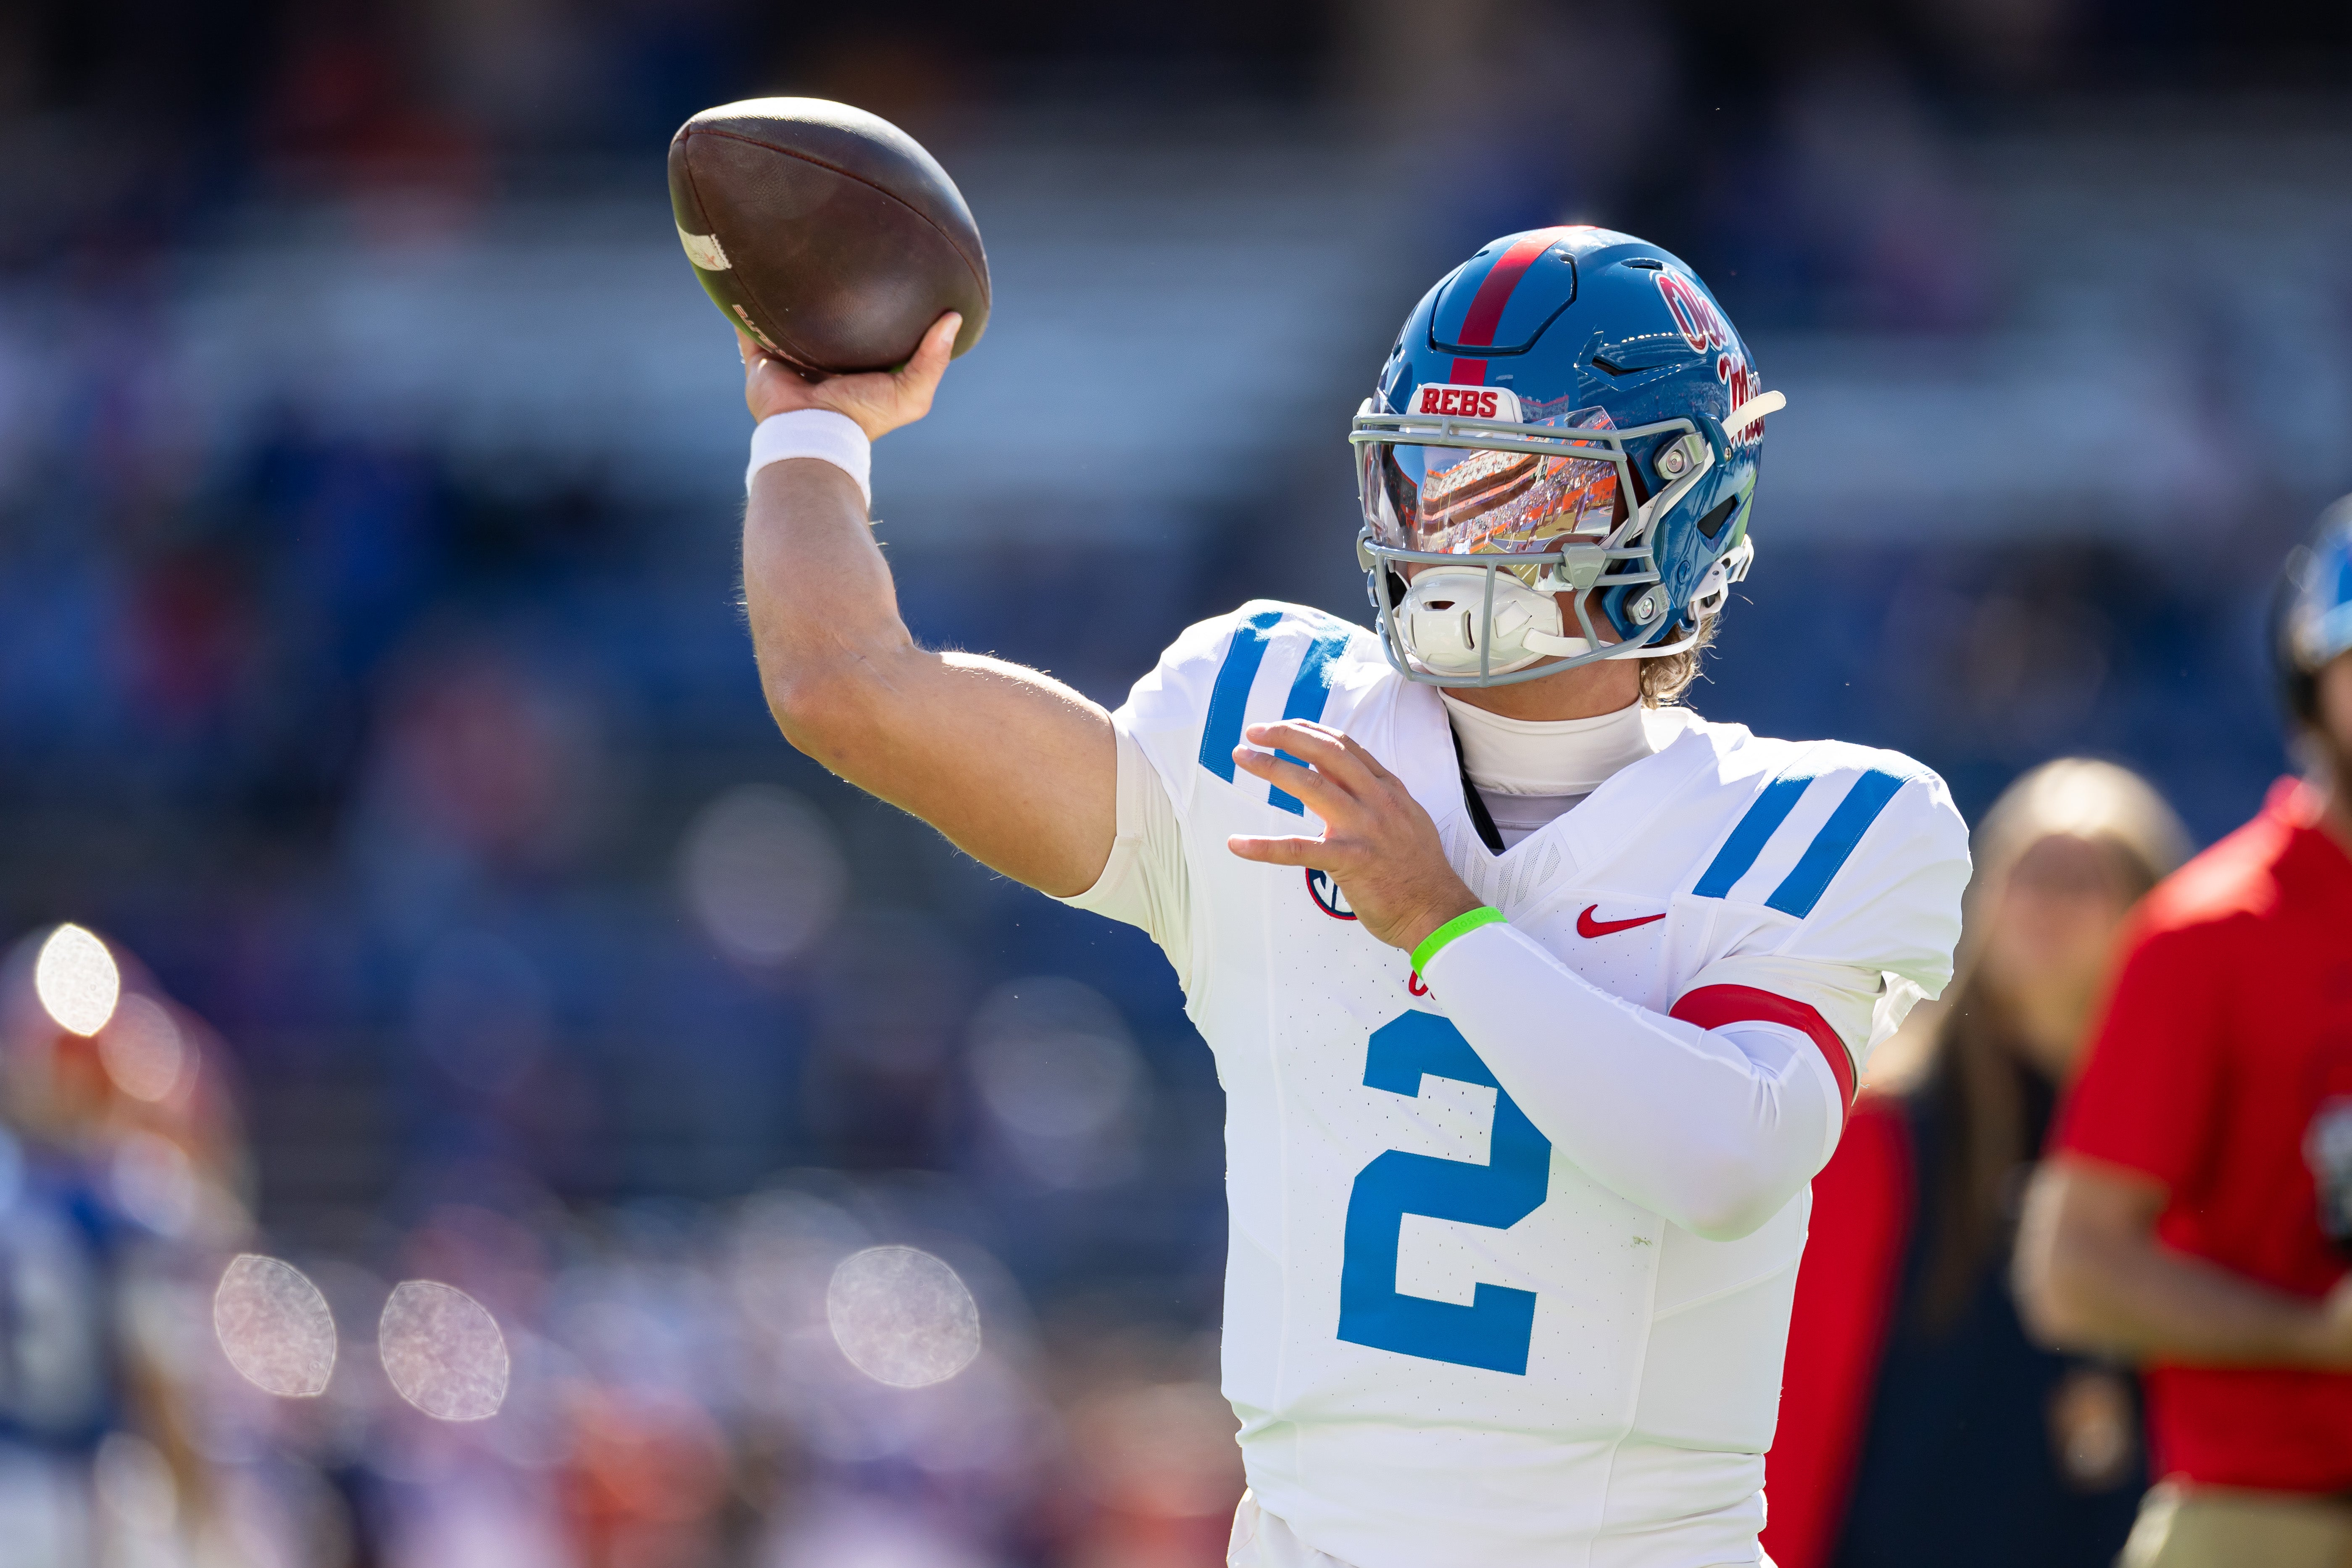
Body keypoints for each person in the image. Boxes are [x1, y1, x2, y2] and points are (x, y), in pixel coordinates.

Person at [729, 225, 1970, 1568]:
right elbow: (845, 688)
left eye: (1510, 490)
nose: (1446, 531)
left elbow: (1723, 1157)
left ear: (1677, 509)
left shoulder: (1825, 822)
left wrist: (1445, 921)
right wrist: (811, 436)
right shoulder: (1268, 714)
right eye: (1423, 476)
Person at [2015, 501, 2352, 1568]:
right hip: (2271, 1516)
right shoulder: (2209, 935)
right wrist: (2314, 1337)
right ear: (2313, 678)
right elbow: (2073, 1271)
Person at [1764, 758, 2189, 1568]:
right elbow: (1798, 1414)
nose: (2045, 903)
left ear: (2152, 912)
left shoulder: (2190, 1146)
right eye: (2025, 872)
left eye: (2083, 877)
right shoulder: (1875, 1134)